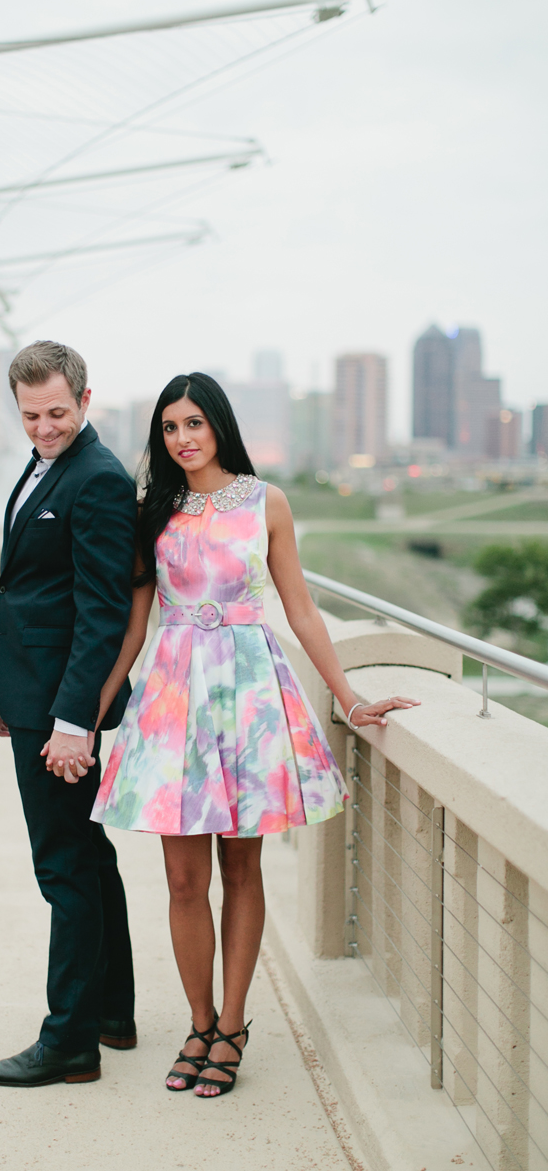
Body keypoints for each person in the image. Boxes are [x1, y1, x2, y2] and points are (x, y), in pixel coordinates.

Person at [83, 372, 420, 1099]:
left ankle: (232, 1025)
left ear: (219, 426)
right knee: (181, 879)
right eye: (169, 427)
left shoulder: (267, 502)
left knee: (241, 871)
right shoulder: (153, 512)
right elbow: (134, 627)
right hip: (175, 697)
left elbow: (299, 609)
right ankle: (198, 1022)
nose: (182, 438)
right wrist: (86, 715)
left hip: (249, 695)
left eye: (194, 423)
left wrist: (349, 696)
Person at [0, 341, 138, 1089]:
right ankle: (110, 1011)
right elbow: (27, 590)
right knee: (88, 855)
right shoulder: (48, 464)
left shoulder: (97, 478)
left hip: (62, 706)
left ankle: (68, 1043)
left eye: (58, 413)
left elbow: (103, 612)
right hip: (31, 689)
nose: (44, 427)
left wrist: (75, 722)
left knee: (63, 868)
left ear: (85, 399)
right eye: (31, 415)